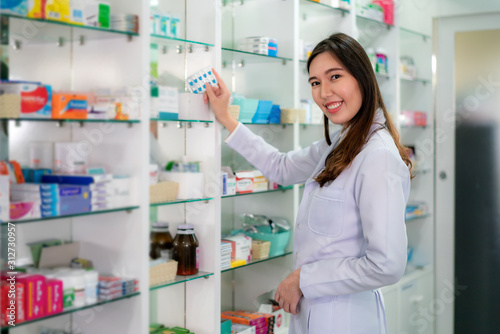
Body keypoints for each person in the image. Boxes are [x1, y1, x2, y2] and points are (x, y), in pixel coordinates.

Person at [204, 33, 412, 334]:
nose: (324, 92)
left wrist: (304, 278)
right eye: (315, 82)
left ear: (363, 78)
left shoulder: (377, 155)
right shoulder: (342, 141)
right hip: (315, 313)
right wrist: (227, 118)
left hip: (345, 318)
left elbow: (387, 265)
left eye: (335, 76)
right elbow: (282, 167)